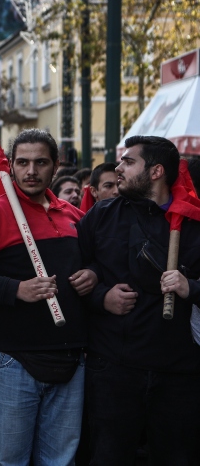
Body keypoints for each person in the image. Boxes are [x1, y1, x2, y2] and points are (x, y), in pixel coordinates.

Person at [0, 128, 94, 466]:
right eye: (23, 162)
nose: (31, 171)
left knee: (60, 461)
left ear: (56, 166)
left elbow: (96, 264)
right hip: (11, 361)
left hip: (71, 358)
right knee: (9, 461)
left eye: (41, 162)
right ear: (10, 167)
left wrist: (94, 275)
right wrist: (17, 289)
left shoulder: (76, 217)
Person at [79, 136, 200, 465]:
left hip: (180, 373)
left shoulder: (193, 221)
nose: (118, 168)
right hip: (113, 369)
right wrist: (101, 297)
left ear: (157, 171)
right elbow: (74, 273)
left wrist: (192, 288)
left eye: (129, 162)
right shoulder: (101, 216)